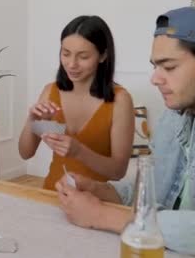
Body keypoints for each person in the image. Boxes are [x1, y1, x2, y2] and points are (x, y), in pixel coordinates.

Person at [55, 7, 195, 255]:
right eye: (156, 66)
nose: (155, 78)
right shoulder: (176, 114)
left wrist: (102, 215)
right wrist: (101, 190)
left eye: (169, 67)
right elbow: (146, 191)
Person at [19, 15, 135, 190]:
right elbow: (25, 153)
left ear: (103, 55)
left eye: (83, 56)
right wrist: (32, 120)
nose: (71, 64)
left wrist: (79, 152)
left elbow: (118, 171)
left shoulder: (120, 100)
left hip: (97, 202)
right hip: (52, 193)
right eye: (66, 54)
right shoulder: (50, 91)